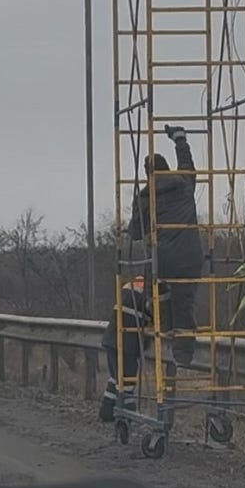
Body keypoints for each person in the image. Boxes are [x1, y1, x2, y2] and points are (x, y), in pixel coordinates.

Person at [127, 124, 202, 372]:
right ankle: (184, 355)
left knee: (160, 296)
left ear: (148, 173)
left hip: (163, 259)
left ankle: (168, 344)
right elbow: (188, 165)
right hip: (191, 255)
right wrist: (180, 139)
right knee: (185, 301)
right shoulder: (184, 184)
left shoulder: (145, 196)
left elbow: (136, 233)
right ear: (167, 168)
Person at [98, 275, 160, 422]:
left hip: (112, 339)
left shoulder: (128, 287)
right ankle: (127, 415)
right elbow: (155, 315)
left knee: (116, 378)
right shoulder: (148, 294)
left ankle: (107, 412)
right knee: (128, 381)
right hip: (128, 343)